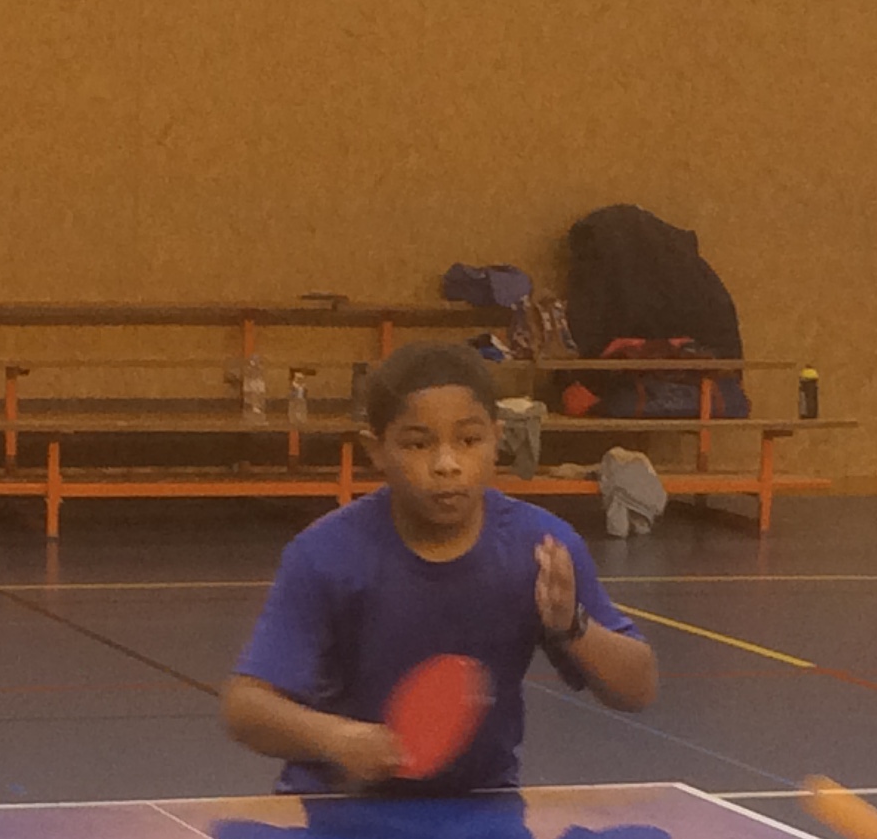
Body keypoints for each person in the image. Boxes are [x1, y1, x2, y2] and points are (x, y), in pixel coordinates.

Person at [222, 339, 656, 792]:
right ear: (376, 449)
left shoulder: (542, 549)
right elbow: (245, 705)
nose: (447, 464)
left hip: (481, 810)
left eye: (468, 440)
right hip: (336, 809)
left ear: (497, 438)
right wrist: (336, 739)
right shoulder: (324, 554)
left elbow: (638, 689)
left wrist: (572, 627)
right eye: (418, 443)